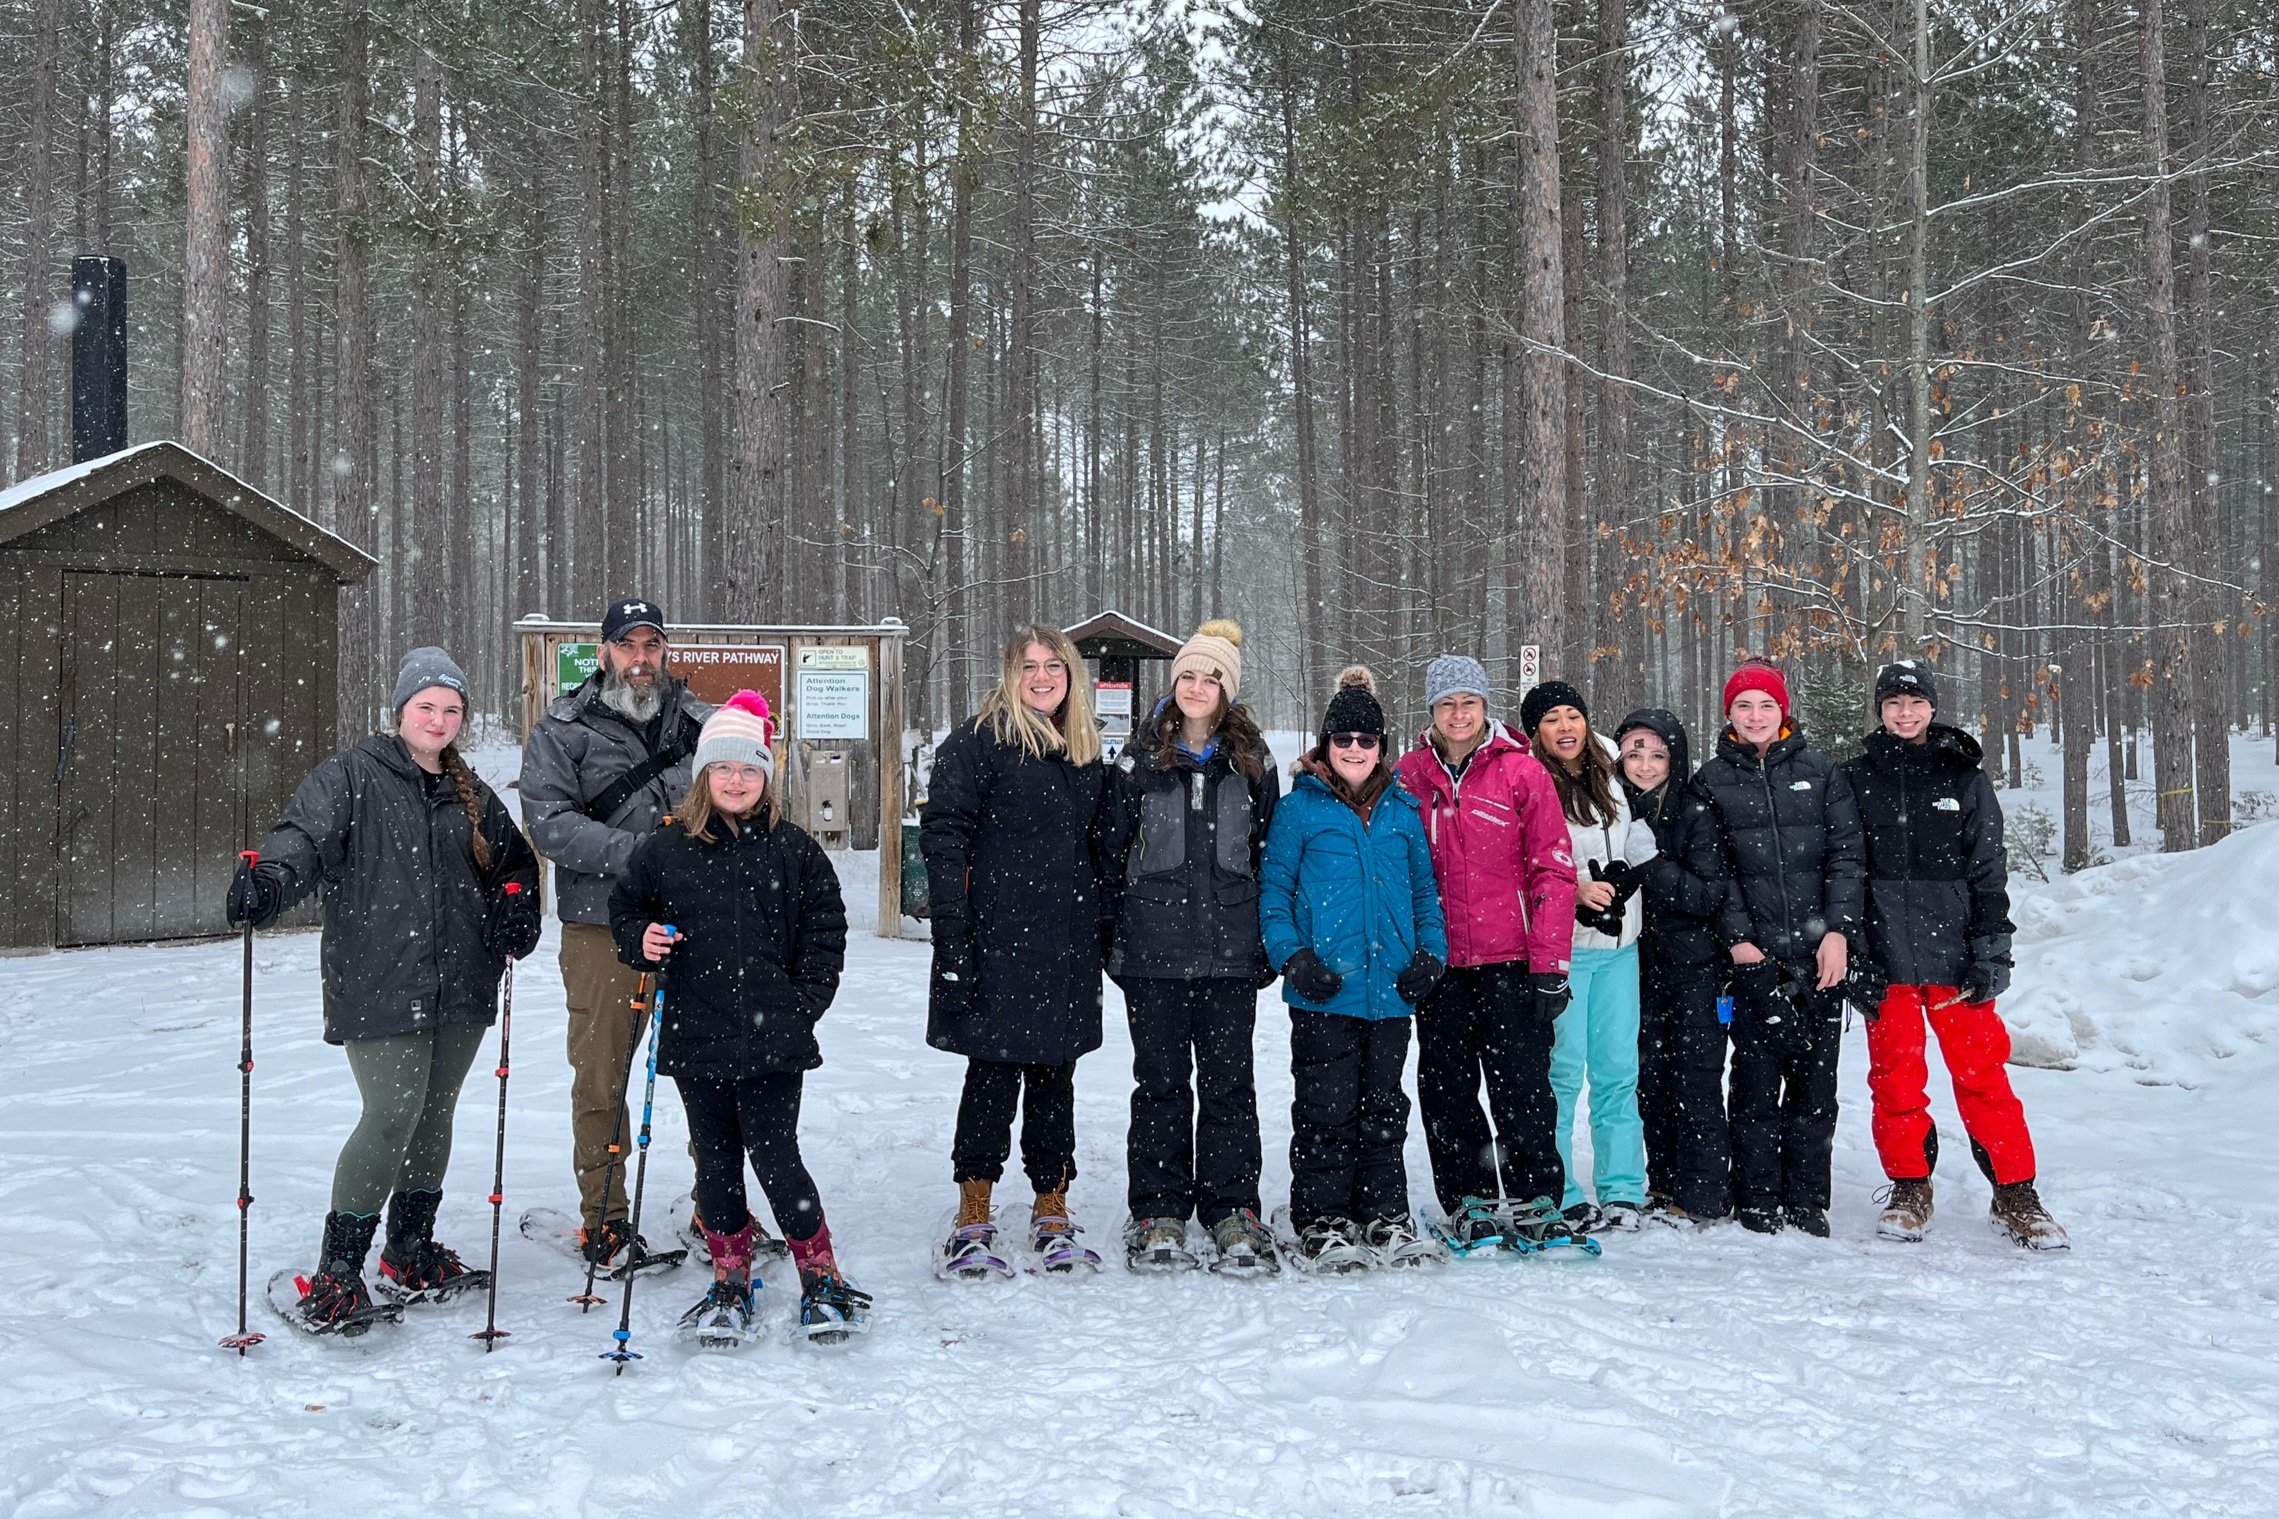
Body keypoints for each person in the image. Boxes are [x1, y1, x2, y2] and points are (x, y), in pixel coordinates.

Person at [227, 647, 540, 1331]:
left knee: (434, 1115)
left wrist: (517, 900)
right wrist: (271, 879)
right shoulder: (350, 776)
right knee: (391, 1114)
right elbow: (301, 838)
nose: (437, 717)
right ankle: (339, 1271)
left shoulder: (472, 792)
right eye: (426, 705)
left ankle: (408, 1250)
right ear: (400, 710)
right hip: (380, 977)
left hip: (460, 979)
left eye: (450, 708)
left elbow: (514, 862)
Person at [609, 691, 872, 1344]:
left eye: (749, 769)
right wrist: (640, 936)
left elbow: (825, 931)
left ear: (765, 776)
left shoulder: (794, 850)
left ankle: (821, 1274)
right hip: (697, 1035)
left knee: (777, 1156)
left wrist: (801, 1003)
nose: (735, 780)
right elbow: (626, 908)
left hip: (772, 1039)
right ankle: (729, 1279)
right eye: (723, 769)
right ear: (703, 775)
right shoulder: (665, 850)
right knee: (717, 1164)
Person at [520, 598, 719, 1268]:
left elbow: (743, 797)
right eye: (627, 645)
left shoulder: (701, 723)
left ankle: (715, 1205)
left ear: (665, 651)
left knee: (711, 1071)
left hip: (697, 927)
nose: (640, 658)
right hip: (602, 927)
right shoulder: (563, 727)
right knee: (603, 1075)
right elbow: (549, 822)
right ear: (603, 651)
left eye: (652, 645)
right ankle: (604, 1219)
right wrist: (640, 855)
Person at [1842, 661, 2068, 1250]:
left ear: (1933, 708)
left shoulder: (1964, 778)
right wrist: (1856, 949)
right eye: (1893, 703)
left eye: (1915, 703)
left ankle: (2016, 1191)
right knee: (1895, 1080)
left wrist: (1992, 948)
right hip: (1885, 954)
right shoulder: (1855, 778)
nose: (1905, 713)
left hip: (1956, 957)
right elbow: (1843, 869)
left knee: (1982, 1076)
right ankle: (1910, 1186)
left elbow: (1988, 870)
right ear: (1880, 710)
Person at [921, 624, 1109, 1274]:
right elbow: (944, 840)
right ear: (1009, 672)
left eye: (1052, 665)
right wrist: (953, 938)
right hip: (995, 942)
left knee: (1055, 1078)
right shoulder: (977, 743)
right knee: (992, 1077)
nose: (1040, 675)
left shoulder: (1084, 750)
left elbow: (1101, 851)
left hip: (1063, 944)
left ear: (1070, 674)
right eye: (1027, 664)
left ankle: (1050, 1204)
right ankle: (973, 1211)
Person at [1098, 619, 1282, 1275]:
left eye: (1210, 678)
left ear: (1225, 690)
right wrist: (1113, 941)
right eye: (1187, 675)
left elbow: (1269, 857)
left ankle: (1232, 1206)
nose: (1197, 686)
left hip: (1231, 953)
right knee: (1161, 1085)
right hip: (1153, 952)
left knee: (1231, 1087)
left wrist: (1264, 940)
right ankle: (1158, 1208)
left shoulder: (1252, 761)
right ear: (1173, 683)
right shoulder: (1138, 760)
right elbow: (1110, 855)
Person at [1259, 666, 1449, 1270]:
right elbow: (1275, 894)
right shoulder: (1300, 810)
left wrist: (1431, 954)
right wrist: (1294, 958)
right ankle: (1322, 1217)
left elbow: (1424, 891)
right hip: (1326, 991)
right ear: (1325, 744)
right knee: (1325, 1107)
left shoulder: (1403, 811)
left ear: (1382, 748)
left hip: (1391, 992)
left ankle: (1383, 1212)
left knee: (1384, 1107)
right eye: (1343, 739)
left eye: (1367, 741)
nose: (1355, 751)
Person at [1393, 654, 1582, 1253]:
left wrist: (1550, 965)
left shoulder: (1521, 772)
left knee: (1523, 1086)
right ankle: (1468, 1196)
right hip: (1441, 964)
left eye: (1468, 702)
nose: (1458, 713)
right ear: (1431, 711)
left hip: (1512, 963)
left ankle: (1536, 1196)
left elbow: (1553, 871)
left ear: (1484, 707)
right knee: (1446, 1088)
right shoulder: (1409, 775)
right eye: (1447, 703)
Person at [1692, 661, 1865, 1236]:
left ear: (1783, 711)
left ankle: (1806, 1197)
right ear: (1729, 715)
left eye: (1766, 705)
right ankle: (1758, 1194)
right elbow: (1715, 868)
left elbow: (1846, 857)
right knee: (1756, 1081)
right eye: (1744, 706)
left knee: (1817, 1087)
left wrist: (1838, 931)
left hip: (1821, 957)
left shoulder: (1820, 773)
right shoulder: (1711, 780)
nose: (1756, 716)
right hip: (1754, 959)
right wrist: (1739, 941)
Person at [1522, 681, 1659, 1233]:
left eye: (1572, 715)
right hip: (1566, 950)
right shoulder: (1528, 779)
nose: (1565, 727)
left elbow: (1635, 841)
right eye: (1552, 718)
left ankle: (1623, 1188)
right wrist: (1574, 888)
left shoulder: (1609, 772)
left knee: (1618, 1072)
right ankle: (1558, 1188)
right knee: (1562, 1073)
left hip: (1620, 946)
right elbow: (1525, 858)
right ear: (1537, 730)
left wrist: (1632, 871)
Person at [1612, 709, 1735, 1225]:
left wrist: (1652, 865)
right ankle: (1664, 1184)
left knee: (1697, 1078)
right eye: (1634, 752)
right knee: (1649, 1076)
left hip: (1693, 967)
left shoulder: (1694, 811)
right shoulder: (1610, 809)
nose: (1644, 764)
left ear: (1674, 758)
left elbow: (1707, 894)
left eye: (1656, 754)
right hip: (1633, 964)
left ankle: (1706, 1191)